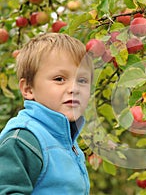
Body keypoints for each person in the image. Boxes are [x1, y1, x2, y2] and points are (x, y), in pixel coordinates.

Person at [0, 33, 94, 194]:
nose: (74, 88)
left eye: (82, 80)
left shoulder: (65, 140)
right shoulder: (24, 139)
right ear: (28, 89)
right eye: (59, 79)